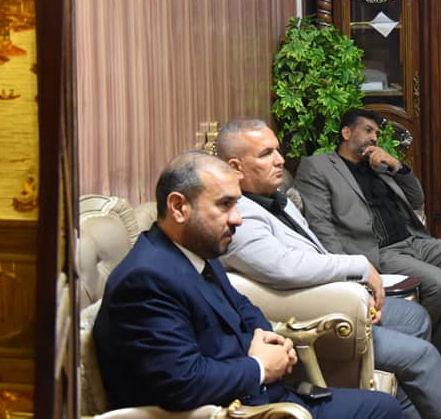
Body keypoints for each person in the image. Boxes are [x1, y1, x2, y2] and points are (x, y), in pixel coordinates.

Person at [93, 150, 401, 418]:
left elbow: (242, 305)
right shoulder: (146, 280)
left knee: (380, 405)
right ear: (178, 207)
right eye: (224, 205)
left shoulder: (197, 251)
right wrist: (259, 366)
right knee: (381, 410)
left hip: (260, 396)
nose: (237, 219)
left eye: (236, 205)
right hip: (234, 411)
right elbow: (183, 382)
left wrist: (267, 338)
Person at [215, 118, 441, 419]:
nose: (280, 160)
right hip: (316, 313)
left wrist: (397, 167)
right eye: (266, 154)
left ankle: (411, 408)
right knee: (424, 345)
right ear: (235, 167)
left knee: (415, 315)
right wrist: (358, 271)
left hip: (393, 251)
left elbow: (416, 199)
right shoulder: (240, 216)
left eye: (277, 150)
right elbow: (285, 266)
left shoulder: (275, 197)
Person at [295, 108, 441, 369]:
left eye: (376, 133)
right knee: (437, 282)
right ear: (346, 133)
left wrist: (397, 166)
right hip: (379, 251)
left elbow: (417, 200)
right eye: (367, 130)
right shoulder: (319, 166)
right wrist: (350, 268)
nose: (374, 138)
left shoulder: (377, 166)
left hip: (412, 240)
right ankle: (436, 353)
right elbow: (320, 224)